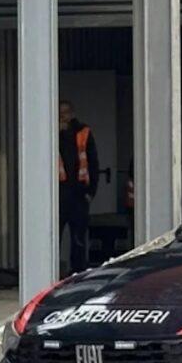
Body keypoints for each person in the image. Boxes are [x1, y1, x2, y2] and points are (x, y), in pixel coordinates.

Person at [58, 100, 99, 276]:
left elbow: (93, 162)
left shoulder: (83, 131)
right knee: (53, 236)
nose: (62, 116)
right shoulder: (49, 131)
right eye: (59, 113)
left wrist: (91, 192)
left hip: (79, 193)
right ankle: (52, 271)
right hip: (57, 194)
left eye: (65, 112)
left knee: (79, 238)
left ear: (71, 113)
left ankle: (78, 272)